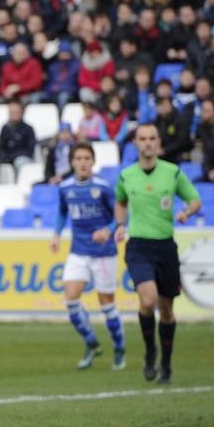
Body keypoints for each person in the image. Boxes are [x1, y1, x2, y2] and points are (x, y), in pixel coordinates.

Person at [114, 124, 202, 385]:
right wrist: (120, 225)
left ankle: (166, 362)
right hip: (139, 246)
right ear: (136, 144)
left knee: (166, 311)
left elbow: (195, 199)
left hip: (165, 247)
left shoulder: (172, 173)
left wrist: (187, 211)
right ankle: (150, 352)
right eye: (143, 139)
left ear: (159, 142)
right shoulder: (126, 175)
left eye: (152, 138)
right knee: (147, 301)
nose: (148, 143)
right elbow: (120, 201)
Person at [51, 142, 125, 371]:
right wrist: (56, 234)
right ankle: (91, 343)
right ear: (72, 162)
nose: (83, 162)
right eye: (78, 158)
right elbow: (63, 212)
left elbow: (120, 216)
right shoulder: (65, 188)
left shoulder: (103, 187)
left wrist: (109, 230)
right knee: (71, 300)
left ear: (93, 162)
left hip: (103, 254)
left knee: (106, 305)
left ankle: (119, 347)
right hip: (78, 251)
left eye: (87, 158)